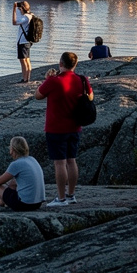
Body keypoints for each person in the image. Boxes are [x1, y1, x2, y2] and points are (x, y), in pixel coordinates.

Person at [34, 52, 91, 207]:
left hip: (56, 128)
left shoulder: (53, 81)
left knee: (60, 164)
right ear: (75, 64)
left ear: (60, 63)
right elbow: (90, 98)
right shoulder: (82, 79)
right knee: (72, 161)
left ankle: (60, 198)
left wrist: (48, 80)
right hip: (75, 126)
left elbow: (38, 95)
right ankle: (71, 194)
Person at [12, 1, 33, 83]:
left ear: (22, 8)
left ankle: (25, 78)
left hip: (22, 41)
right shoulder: (31, 15)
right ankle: (27, 77)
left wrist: (14, 10)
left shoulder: (25, 17)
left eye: (20, 8)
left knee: (23, 60)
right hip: (28, 40)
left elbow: (14, 22)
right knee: (27, 59)